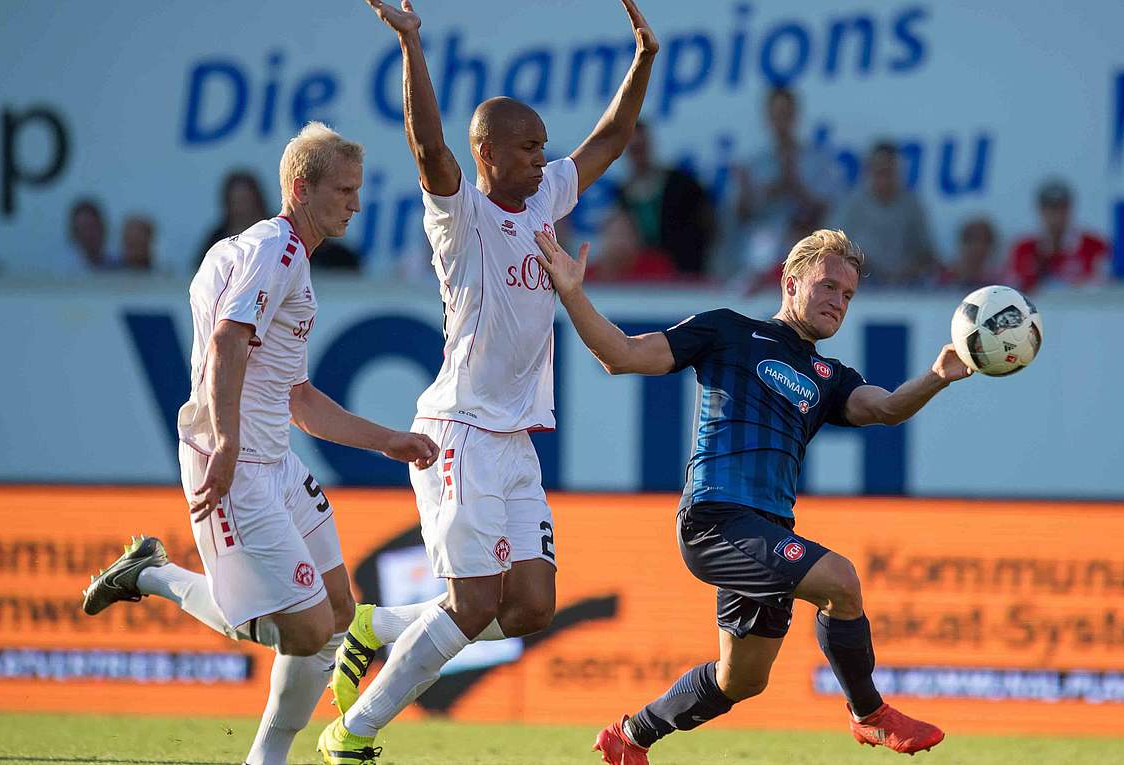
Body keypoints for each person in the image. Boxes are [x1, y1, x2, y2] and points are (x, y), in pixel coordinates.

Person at [316, 0, 658, 761]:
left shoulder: (545, 198)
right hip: (461, 430)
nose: (542, 158)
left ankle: (377, 626)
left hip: (513, 438)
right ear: (488, 153)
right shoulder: (460, 214)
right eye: (528, 147)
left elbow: (610, 140)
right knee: (471, 604)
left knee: (531, 607)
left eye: (543, 147)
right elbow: (426, 144)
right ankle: (352, 732)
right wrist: (412, 44)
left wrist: (644, 60)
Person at [80, 122, 439, 765]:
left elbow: (297, 398)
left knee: (337, 613)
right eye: (344, 190)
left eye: (357, 189)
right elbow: (226, 341)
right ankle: (158, 579)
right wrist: (223, 443)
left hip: (275, 461)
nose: (356, 204)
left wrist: (386, 440)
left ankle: (152, 577)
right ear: (301, 189)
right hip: (237, 464)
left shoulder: (266, 253)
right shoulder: (276, 250)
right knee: (305, 629)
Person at [532, 228, 961, 763]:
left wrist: (938, 376)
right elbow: (621, 354)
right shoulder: (727, 331)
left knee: (741, 679)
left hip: (766, 531)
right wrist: (572, 292)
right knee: (841, 581)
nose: (838, 302)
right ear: (790, 282)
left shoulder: (829, 376)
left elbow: (887, 408)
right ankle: (869, 714)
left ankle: (630, 735)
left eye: (848, 295)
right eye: (828, 286)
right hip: (714, 519)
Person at [732, 87, 843, 288]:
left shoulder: (816, 160)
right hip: (762, 244)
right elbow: (740, 216)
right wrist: (747, 195)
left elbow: (826, 212)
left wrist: (793, 185)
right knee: (758, 248)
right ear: (768, 118)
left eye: (786, 114)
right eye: (776, 115)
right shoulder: (753, 163)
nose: (781, 121)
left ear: (795, 116)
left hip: (804, 244)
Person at [595, 119, 713, 281]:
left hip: (685, 274)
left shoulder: (682, 184)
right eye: (633, 150)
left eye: (641, 148)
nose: (638, 156)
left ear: (650, 146)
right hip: (643, 276)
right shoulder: (622, 194)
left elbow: (706, 223)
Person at [833, 141, 937, 287]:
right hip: (860, 286)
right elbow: (833, 251)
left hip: (905, 286)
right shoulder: (851, 205)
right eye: (880, 172)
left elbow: (927, 253)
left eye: (890, 173)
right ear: (869, 172)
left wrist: (910, 269)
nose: (885, 179)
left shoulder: (911, 205)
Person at [1006, 178, 1108, 292]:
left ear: (1069, 209)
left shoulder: (1093, 246)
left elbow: (1105, 286)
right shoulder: (1024, 249)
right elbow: (1013, 287)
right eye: (1051, 208)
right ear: (1040, 210)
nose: (1056, 215)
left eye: (1061, 208)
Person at [197, 169, 271, 269]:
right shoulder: (217, 238)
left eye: (245, 200)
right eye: (235, 201)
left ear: (257, 200)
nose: (241, 207)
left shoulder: (276, 231)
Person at [938, 215, 1001, 289]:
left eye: (984, 242)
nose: (978, 247)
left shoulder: (995, 283)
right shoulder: (942, 278)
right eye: (971, 240)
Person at [69, 198, 115, 271]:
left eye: (92, 227)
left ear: (103, 229)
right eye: (83, 229)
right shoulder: (65, 271)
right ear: (74, 234)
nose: (89, 235)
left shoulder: (117, 266)